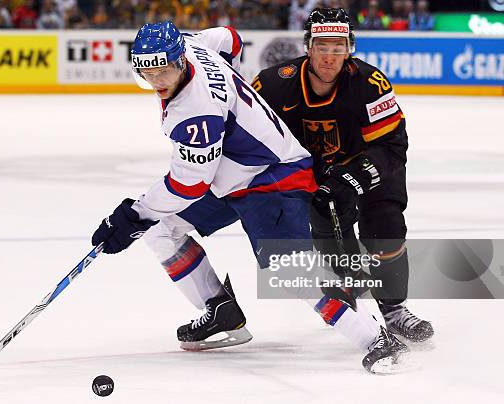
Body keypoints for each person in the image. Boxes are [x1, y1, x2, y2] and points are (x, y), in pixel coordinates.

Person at [90, 21, 408, 374]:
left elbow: (189, 184)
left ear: (180, 60)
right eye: (148, 72)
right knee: (161, 229)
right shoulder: (195, 44)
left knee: (290, 271)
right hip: (230, 174)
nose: (157, 81)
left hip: (274, 174)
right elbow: (230, 38)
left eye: (164, 70)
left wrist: (135, 214)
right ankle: (220, 309)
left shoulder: (196, 112)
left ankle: (376, 340)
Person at [251, 8, 434, 343]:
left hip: (369, 165)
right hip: (314, 171)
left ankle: (394, 310)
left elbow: (393, 145)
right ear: (308, 46)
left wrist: (355, 179)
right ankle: (351, 293)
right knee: (326, 222)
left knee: (385, 227)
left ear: (350, 49)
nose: (330, 56)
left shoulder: (370, 83)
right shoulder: (274, 85)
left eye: (339, 47)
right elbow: (249, 135)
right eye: (323, 46)